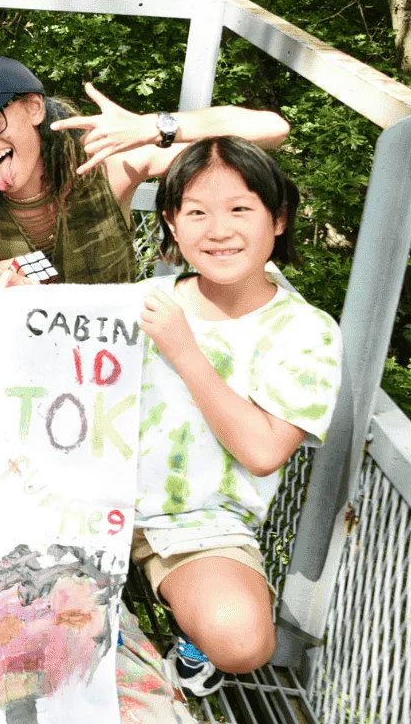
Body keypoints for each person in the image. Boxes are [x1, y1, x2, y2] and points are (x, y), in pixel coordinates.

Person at [133, 138, 340, 696]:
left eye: (239, 208)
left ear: (278, 219)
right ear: (173, 226)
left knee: (243, 641)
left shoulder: (306, 330)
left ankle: (194, 636)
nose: (217, 229)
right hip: (90, 497)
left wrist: (185, 352)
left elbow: (264, 451)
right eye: (197, 211)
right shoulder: (141, 298)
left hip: (199, 523)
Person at [0, 56, 289, 285]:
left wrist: (155, 127)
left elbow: (271, 130)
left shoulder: (106, 165)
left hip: (112, 365)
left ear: (34, 108)